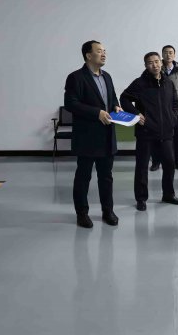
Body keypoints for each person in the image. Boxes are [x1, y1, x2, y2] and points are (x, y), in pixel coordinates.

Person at [64, 40, 121, 228]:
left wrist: (116, 106)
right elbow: (71, 103)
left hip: (107, 136)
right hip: (87, 137)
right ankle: (82, 213)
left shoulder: (107, 77)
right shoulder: (76, 77)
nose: (104, 54)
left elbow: (112, 98)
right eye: (99, 51)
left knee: (106, 177)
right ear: (88, 55)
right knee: (83, 177)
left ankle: (108, 211)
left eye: (104, 51)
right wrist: (97, 113)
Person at [120, 51, 178, 211]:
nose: (154, 65)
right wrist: (136, 114)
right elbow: (124, 98)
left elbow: (174, 102)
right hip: (146, 132)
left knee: (169, 164)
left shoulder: (168, 83)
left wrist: (172, 119)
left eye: (156, 61)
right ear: (146, 65)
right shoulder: (140, 83)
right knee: (142, 166)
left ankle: (168, 194)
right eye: (150, 62)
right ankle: (141, 199)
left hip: (166, 132)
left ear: (161, 63)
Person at [150, 45, 178, 172]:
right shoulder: (156, 69)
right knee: (157, 137)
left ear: (174, 55)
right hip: (158, 112)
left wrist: (177, 102)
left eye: (171, 52)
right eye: (166, 52)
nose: (168, 55)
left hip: (175, 111)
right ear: (162, 55)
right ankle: (156, 162)